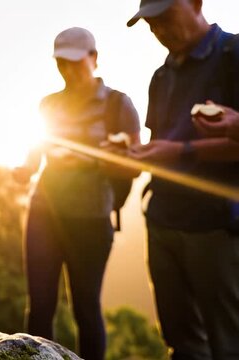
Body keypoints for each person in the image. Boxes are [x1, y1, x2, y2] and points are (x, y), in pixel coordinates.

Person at [18, 27, 140, 360]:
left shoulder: (117, 104)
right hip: (44, 211)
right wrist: (22, 171)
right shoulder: (49, 104)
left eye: (75, 62)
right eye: (62, 63)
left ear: (94, 59)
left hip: (92, 217)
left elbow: (134, 162)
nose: (68, 70)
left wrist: (93, 159)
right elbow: (34, 158)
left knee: (85, 307)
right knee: (40, 306)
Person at [127, 0, 239, 358]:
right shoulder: (161, 76)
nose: (159, 30)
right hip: (161, 221)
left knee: (228, 340)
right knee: (180, 339)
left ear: (195, 3)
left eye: (165, 18)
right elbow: (159, 143)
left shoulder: (233, 55)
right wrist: (134, 154)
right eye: (151, 24)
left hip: (217, 226)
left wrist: (176, 152)